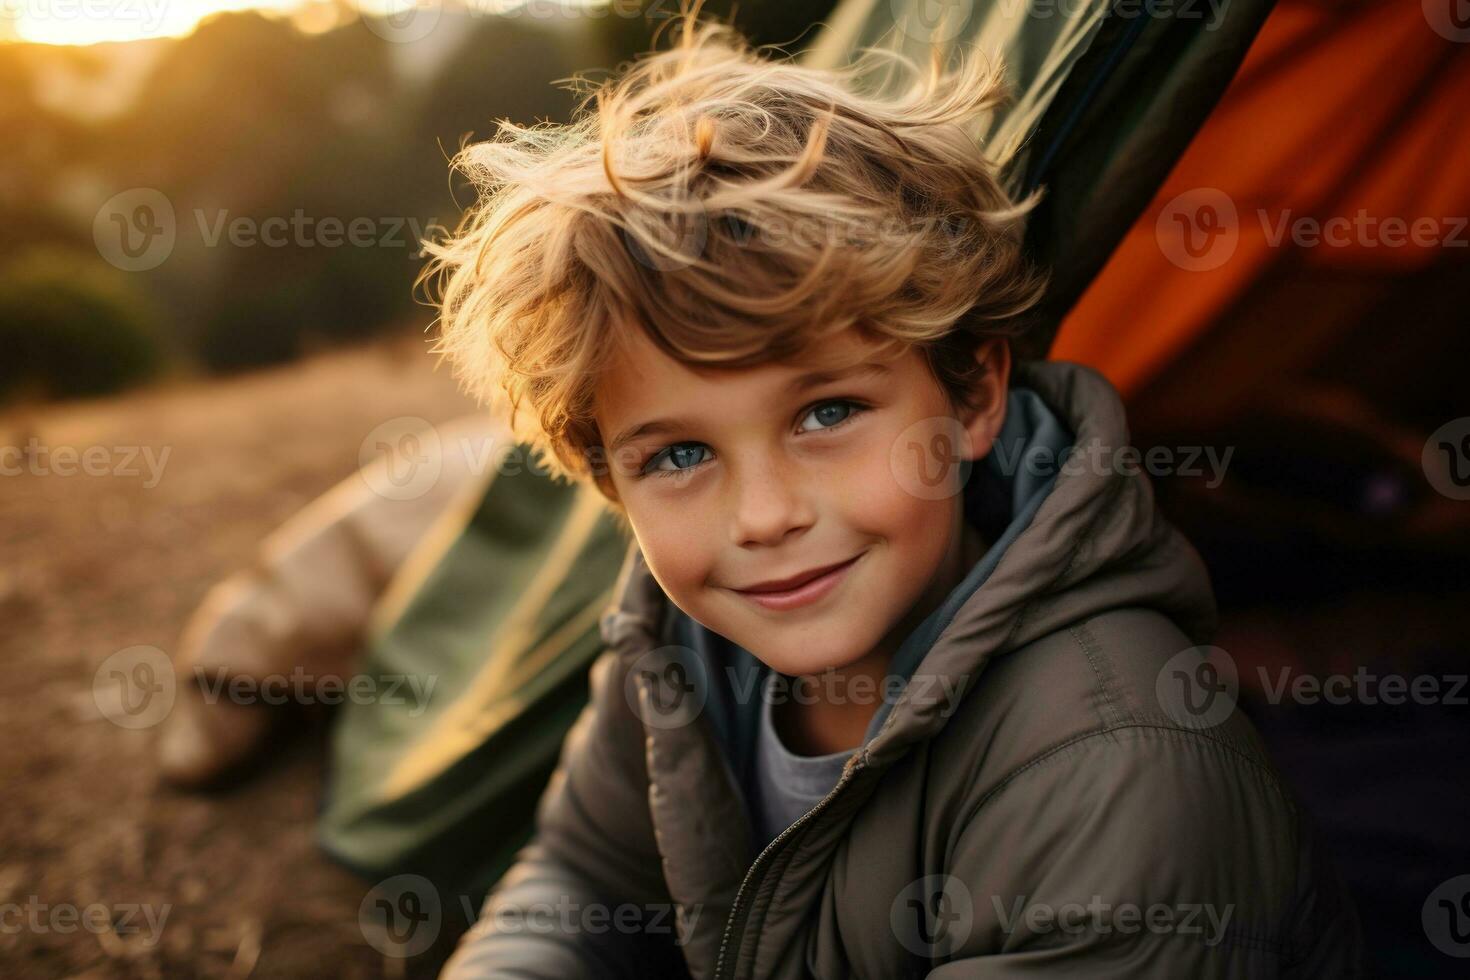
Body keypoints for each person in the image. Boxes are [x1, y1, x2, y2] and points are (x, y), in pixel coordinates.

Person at [421, 5, 1362, 977]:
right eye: (677, 456)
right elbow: (582, 877)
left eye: (826, 414)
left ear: (973, 394)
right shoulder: (678, 649)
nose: (764, 515)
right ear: (606, 476)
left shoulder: (1116, 769)